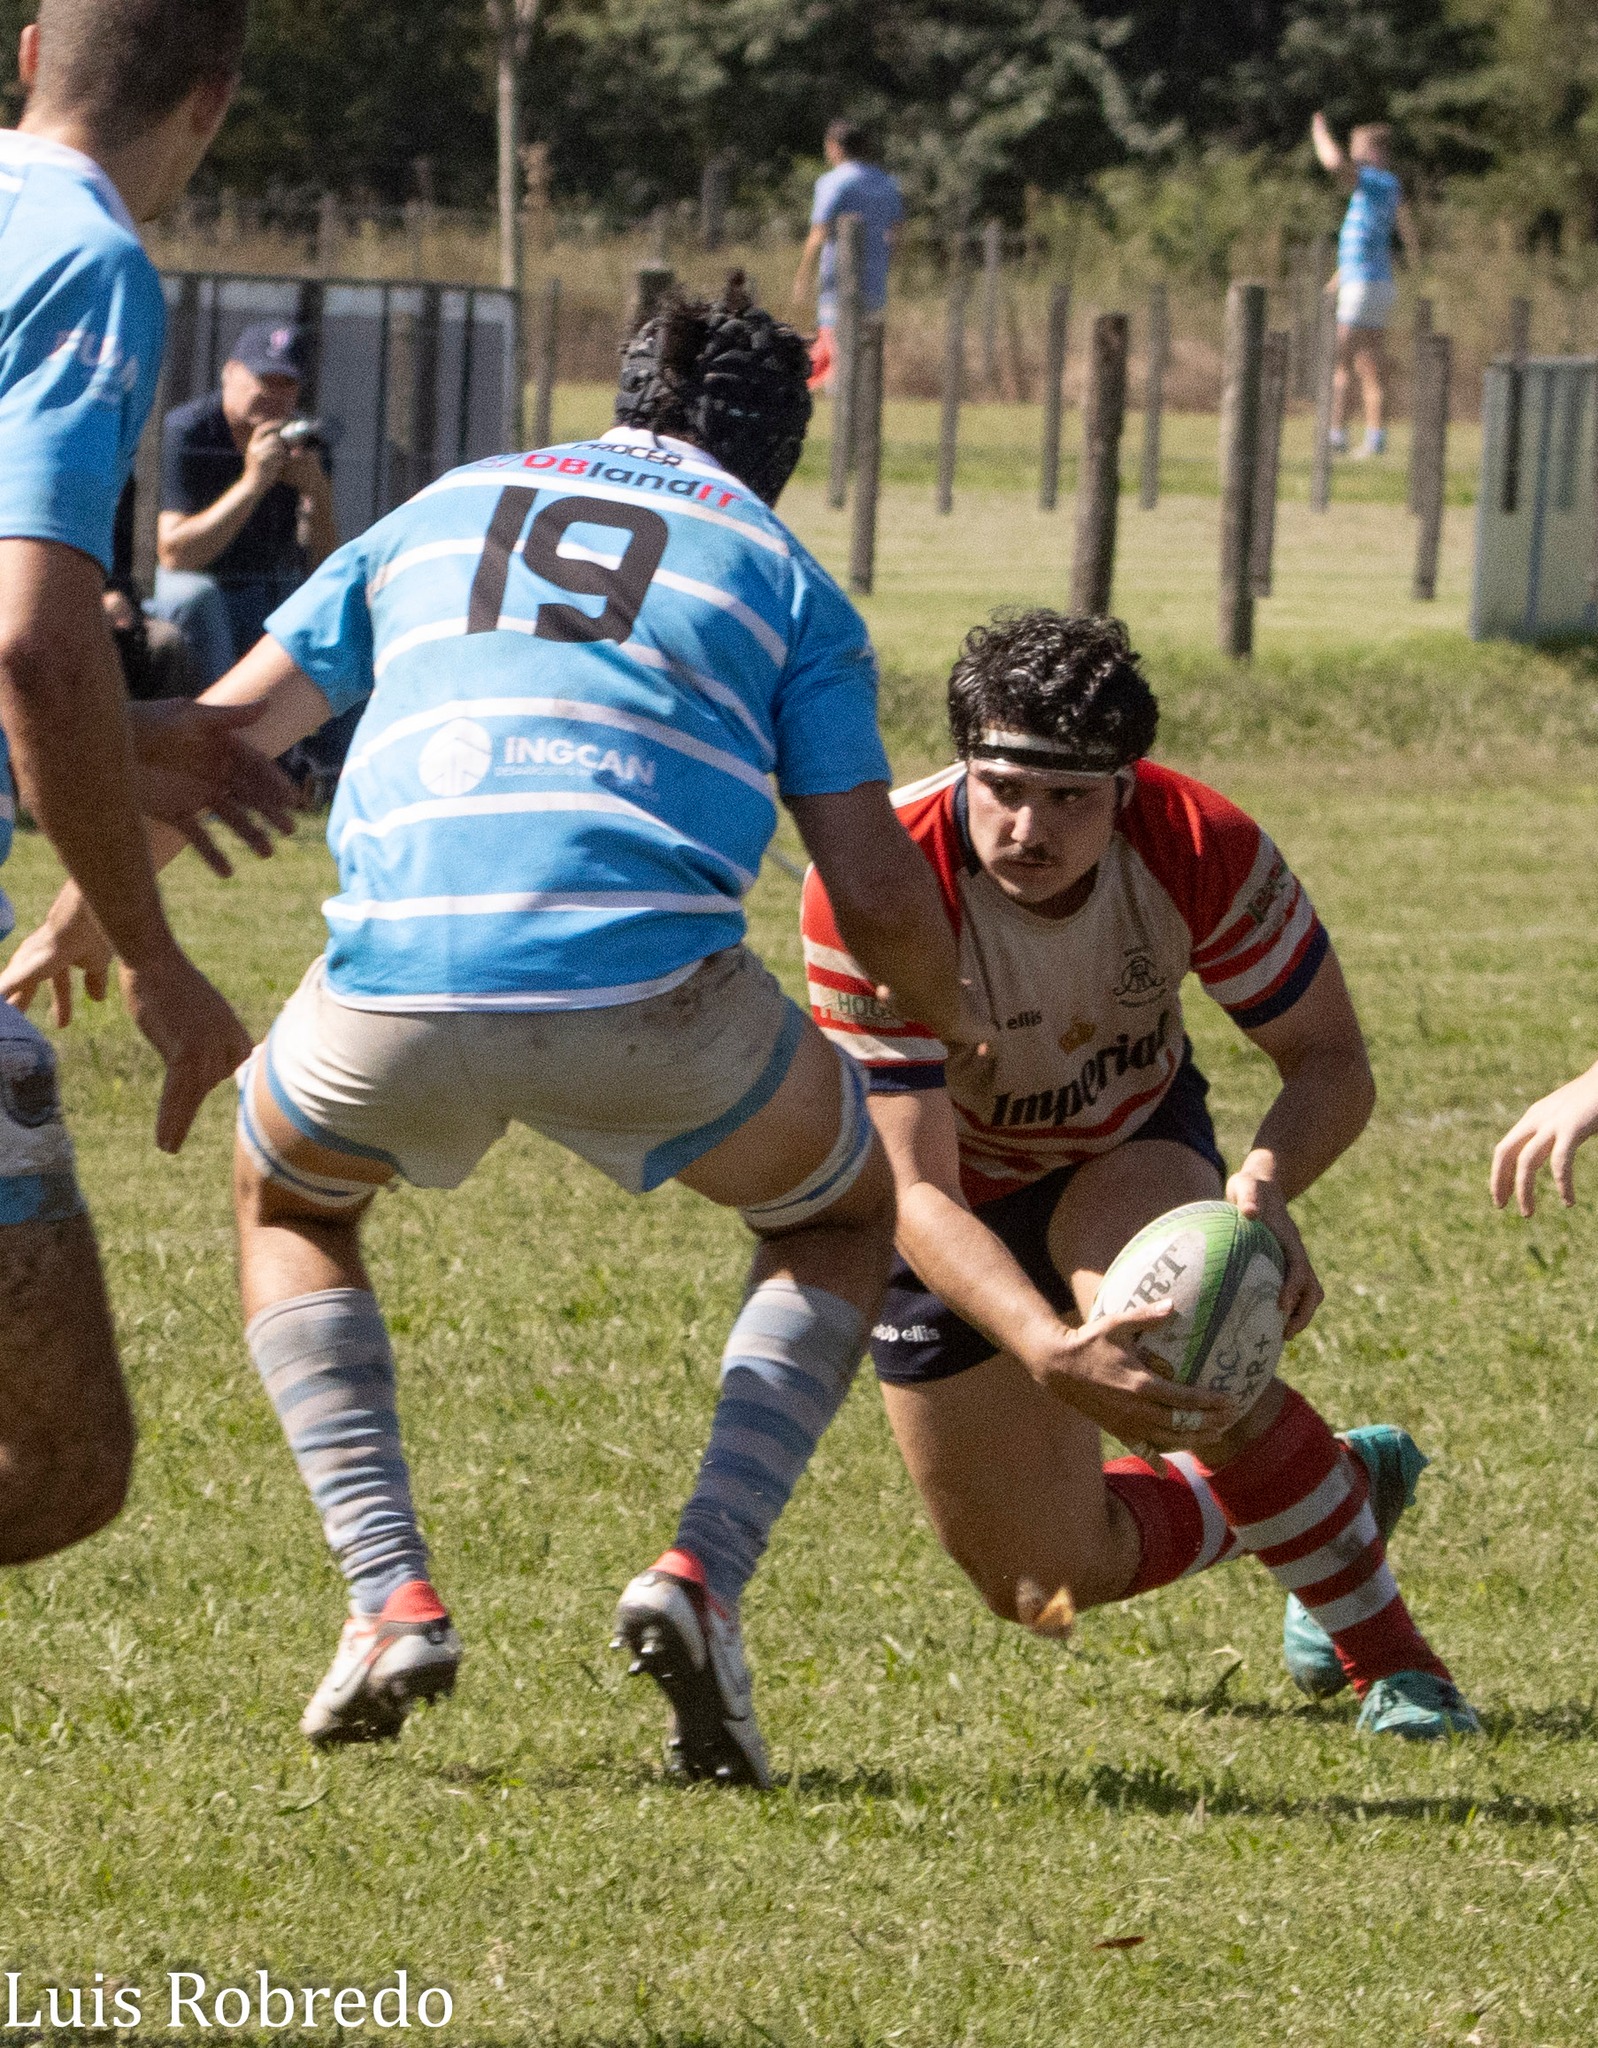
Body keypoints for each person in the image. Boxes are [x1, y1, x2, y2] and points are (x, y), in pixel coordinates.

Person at [6, 284, 968, 1785]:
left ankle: (388, 1596)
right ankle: (701, 1578)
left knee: (292, 1197)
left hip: (390, 990)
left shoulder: (440, 510)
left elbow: (217, 739)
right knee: (842, 1212)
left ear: (624, 399)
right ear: (778, 449)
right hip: (650, 998)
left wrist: (83, 912)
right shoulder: (784, 575)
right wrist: (964, 1028)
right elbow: (876, 894)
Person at [801, 611, 1480, 1740]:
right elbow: (915, 1191)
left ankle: (1399, 1669)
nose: (1028, 825)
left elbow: (1328, 1057)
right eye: (1003, 784)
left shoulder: (1193, 838)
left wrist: (1260, 1182)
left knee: (1186, 1347)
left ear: (1125, 788)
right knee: (1040, 1586)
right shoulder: (878, 884)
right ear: (963, 762)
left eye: (1070, 797)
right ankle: (1327, 1491)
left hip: (1122, 1141)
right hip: (951, 1202)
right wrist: (1040, 1345)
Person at [0, 0, 296, 1572]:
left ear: (32, 44)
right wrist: (158, 956)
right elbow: (34, 646)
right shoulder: (82, 254)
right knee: (54, 1460)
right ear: (212, 100)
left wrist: (130, 738)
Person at [150, 320, 353, 788]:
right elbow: (176, 553)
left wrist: (318, 495)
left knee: (341, 606)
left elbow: (325, 563)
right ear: (229, 375)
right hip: (201, 582)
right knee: (202, 600)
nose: (275, 397)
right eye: (264, 381)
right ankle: (225, 761)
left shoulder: (304, 442)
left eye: (287, 385)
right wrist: (254, 482)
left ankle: (329, 768)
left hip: (269, 583)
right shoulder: (192, 429)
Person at [1311, 111, 1417, 457]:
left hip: (1363, 285)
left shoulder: (1372, 180)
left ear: (1374, 153)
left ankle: (1336, 435)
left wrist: (1319, 132)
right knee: (1370, 365)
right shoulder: (1388, 187)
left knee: (1339, 362)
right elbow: (1370, 243)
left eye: (1359, 150)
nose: (1353, 156)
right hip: (1377, 282)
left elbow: (1333, 162)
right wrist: (1336, 279)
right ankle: (1375, 439)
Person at [790, 120, 904, 392]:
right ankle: (859, 397)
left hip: (838, 279)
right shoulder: (886, 183)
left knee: (835, 343)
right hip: (875, 278)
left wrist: (803, 274)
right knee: (865, 343)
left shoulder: (833, 182)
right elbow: (897, 230)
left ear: (835, 147)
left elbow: (819, 231)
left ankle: (839, 400)